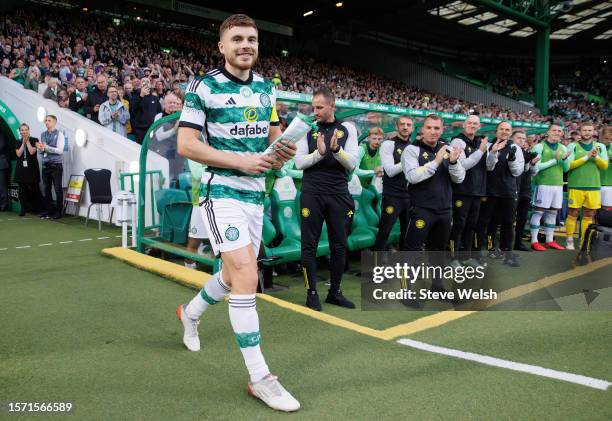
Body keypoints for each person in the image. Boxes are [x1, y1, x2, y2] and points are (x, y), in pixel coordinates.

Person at [175, 14, 300, 412]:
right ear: (223, 47)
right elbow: (186, 144)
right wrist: (238, 162)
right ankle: (260, 378)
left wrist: (284, 149)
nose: (246, 45)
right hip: (220, 191)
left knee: (231, 277)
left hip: (254, 195)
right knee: (247, 273)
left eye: (252, 39)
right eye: (237, 39)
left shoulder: (266, 88)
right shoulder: (203, 85)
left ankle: (189, 313)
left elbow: (272, 134)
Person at [294, 87, 358, 311]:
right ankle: (311, 293)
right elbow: (299, 163)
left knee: (339, 245)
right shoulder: (306, 129)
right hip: (312, 193)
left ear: (332, 106)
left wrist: (337, 150)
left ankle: (335, 292)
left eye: (319, 107)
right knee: (308, 245)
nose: (316, 111)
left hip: (338, 194)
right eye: (314, 107)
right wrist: (319, 154)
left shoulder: (347, 128)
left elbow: (352, 164)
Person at [401, 114, 464, 293]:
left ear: (442, 130)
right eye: (429, 127)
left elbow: (459, 178)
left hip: (444, 210)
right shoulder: (412, 150)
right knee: (412, 252)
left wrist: (452, 162)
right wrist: (436, 161)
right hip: (421, 209)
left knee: (437, 252)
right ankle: (406, 291)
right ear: (422, 129)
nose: (433, 132)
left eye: (437, 128)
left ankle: (437, 287)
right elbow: (413, 177)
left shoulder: (448, 150)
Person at [476, 126, 525, 267]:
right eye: (501, 129)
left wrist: (512, 159)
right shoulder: (489, 146)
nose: (504, 131)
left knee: (508, 223)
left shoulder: (515, 147)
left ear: (510, 133)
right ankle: (486, 251)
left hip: (508, 192)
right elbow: (488, 166)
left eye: (507, 130)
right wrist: (493, 152)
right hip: (489, 191)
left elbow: (517, 172)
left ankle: (508, 254)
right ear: (496, 131)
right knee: (485, 223)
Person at [448, 114, 488, 266]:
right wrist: (481, 151)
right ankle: (453, 257)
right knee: (458, 225)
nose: (472, 125)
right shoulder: (457, 141)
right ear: (464, 124)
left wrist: (494, 152)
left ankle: (467, 257)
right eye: (470, 123)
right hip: (462, 190)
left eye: (475, 123)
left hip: (478, 191)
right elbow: (463, 165)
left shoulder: (480, 141)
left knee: (472, 225)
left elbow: (488, 166)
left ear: (479, 126)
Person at [564, 122, 608, 249]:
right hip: (576, 185)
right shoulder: (573, 146)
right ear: (580, 131)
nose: (587, 133)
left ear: (594, 132)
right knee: (573, 213)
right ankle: (569, 239)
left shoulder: (600, 146)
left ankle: (584, 240)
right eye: (584, 130)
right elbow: (569, 165)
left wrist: (595, 157)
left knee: (589, 215)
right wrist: (587, 157)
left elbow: (604, 166)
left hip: (593, 186)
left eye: (590, 130)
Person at [373, 116, 412, 251]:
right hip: (392, 196)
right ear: (397, 127)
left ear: (412, 128)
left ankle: (404, 266)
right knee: (385, 231)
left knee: (407, 233)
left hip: (410, 196)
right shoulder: (388, 144)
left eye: (408, 124)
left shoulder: (413, 146)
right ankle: (376, 266)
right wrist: (408, 160)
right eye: (402, 124)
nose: (405, 127)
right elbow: (389, 171)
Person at [529, 123, 571, 251]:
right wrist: (555, 160)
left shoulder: (563, 148)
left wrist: (563, 160)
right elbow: (535, 166)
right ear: (548, 132)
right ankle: (534, 241)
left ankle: (549, 240)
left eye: (559, 131)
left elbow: (566, 169)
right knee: (538, 212)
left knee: (553, 213)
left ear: (562, 134)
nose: (557, 133)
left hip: (557, 185)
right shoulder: (539, 146)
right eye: (554, 130)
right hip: (543, 184)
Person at [514, 133, 540, 251]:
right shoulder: (512, 152)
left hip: (525, 190)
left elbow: (534, 172)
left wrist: (532, 163)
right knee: (507, 219)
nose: (523, 142)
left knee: (522, 218)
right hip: (513, 189)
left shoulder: (529, 155)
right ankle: (504, 244)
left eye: (524, 140)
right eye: (520, 139)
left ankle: (518, 243)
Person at [37, 115, 65, 219]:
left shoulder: (59, 134)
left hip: (56, 165)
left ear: (54, 122)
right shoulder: (43, 134)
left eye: (49, 120)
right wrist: (40, 149)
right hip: (45, 165)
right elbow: (41, 151)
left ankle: (58, 211)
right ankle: (49, 210)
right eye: (46, 120)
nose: (46, 122)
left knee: (57, 189)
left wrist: (47, 147)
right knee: (46, 189)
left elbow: (60, 150)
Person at [14, 123, 41, 216]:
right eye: (22, 130)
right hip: (21, 168)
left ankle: (36, 208)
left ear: (28, 131)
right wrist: (23, 143)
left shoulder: (35, 140)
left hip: (32, 167)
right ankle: (23, 209)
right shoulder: (18, 141)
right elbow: (19, 154)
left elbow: (32, 151)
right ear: (20, 131)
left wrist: (28, 142)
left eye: (26, 130)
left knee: (34, 188)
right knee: (22, 189)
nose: (24, 131)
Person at [130, 77, 161, 144]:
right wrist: (141, 96)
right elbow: (133, 110)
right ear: (140, 85)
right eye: (143, 81)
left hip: (153, 129)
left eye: (147, 81)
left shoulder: (155, 98)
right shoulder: (135, 97)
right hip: (140, 131)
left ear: (150, 85)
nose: (145, 83)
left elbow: (159, 112)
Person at [600, 126, 612, 210]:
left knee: (606, 210)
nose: (608, 141)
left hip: (609, 184)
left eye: (611, 139)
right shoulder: (594, 146)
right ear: (601, 137)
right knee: (591, 210)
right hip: (594, 183)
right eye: (606, 138)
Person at [0, 131, 9, 211]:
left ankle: (4, 204)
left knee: (2, 186)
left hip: (1, 164)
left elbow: (1, 146)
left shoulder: (1, 135)